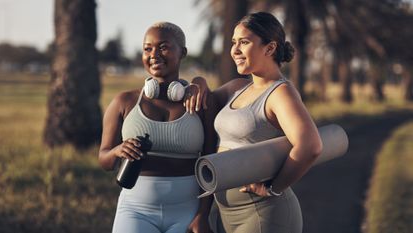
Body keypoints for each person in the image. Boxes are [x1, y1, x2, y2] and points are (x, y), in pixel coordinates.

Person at [191, 12, 323, 233]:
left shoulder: (280, 93)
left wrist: (273, 188)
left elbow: (310, 146)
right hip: (225, 215)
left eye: (244, 42)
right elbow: (204, 100)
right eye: (233, 43)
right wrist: (198, 81)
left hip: (265, 214)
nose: (235, 50)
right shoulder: (236, 88)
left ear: (269, 48)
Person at [98, 22, 216, 233]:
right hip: (135, 210)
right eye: (147, 48)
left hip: (188, 211)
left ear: (183, 52)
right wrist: (117, 150)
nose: (154, 54)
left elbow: (211, 162)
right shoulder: (124, 102)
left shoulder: (199, 101)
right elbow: (105, 161)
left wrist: (203, 215)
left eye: (163, 47)